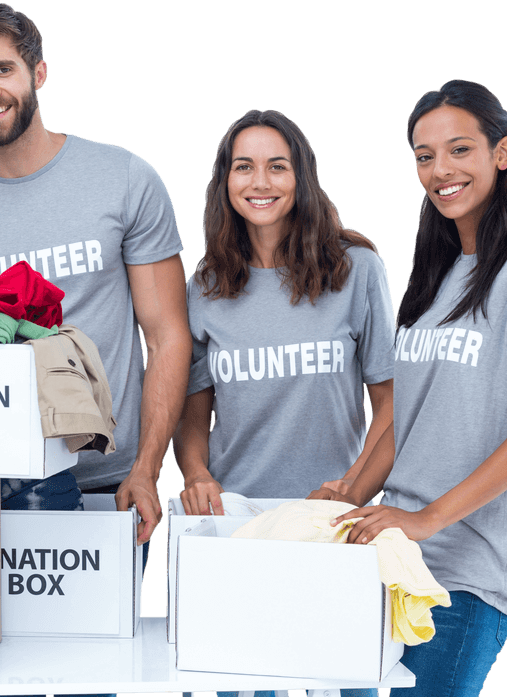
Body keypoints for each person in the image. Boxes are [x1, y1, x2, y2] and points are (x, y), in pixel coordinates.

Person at [311, 79, 507, 697]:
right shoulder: (441, 274)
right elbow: (412, 417)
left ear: (501, 154)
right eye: (425, 157)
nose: (440, 170)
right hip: (394, 561)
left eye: (459, 150)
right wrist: (351, 491)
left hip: (465, 574)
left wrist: (426, 519)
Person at [0, 3, 191, 541]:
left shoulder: (124, 179)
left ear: (38, 72)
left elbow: (168, 335)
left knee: (111, 630)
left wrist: (147, 470)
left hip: (111, 482)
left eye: (2, 69)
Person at [173, 109, 394, 697]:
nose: (261, 182)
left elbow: (393, 404)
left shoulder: (358, 272)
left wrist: (352, 490)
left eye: (278, 166)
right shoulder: (204, 290)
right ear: (225, 182)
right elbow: (192, 411)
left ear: (303, 179)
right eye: (244, 167)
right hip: (238, 532)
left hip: (331, 531)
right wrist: (195, 473)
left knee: (342, 683)